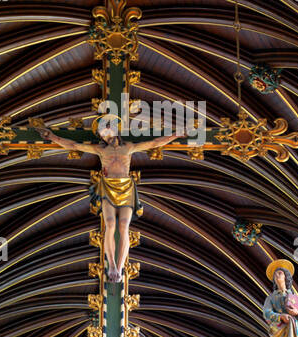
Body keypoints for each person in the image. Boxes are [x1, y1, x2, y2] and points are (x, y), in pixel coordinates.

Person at [29, 115, 184, 281]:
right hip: (108, 187)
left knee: (124, 225)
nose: (103, 132)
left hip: (126, 187)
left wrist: (175, 135)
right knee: (110, 224)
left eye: (105, 128)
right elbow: (73, 145)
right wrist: (52, 137)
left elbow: (154, 143)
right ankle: (112, 265)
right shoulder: (101, 150)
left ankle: (121, 266)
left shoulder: (128, 147)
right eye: (101, 131)